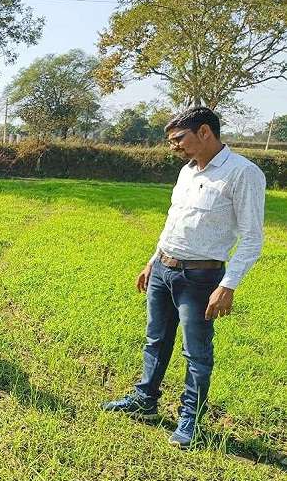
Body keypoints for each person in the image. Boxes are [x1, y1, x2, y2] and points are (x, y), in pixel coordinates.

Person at [102, 107, 266, 449]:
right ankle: (145, 399)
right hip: (164, 269)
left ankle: (189, 418)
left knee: (196, 353)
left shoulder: (242, 174)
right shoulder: (187, 172)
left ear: (204, 132)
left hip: (200, 279)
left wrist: (228, 285)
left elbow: (252, 238)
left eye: (180, 139)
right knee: (156, 340)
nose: (175, 147)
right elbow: (173, 221)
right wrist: (153, 261)